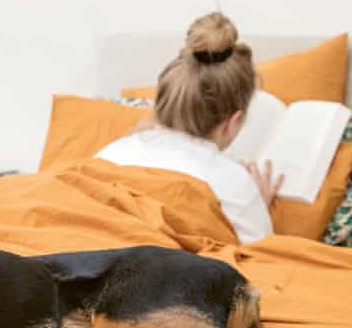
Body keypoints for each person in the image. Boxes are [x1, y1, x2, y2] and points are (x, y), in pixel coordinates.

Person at [95, 12, 283, 243]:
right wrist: (256, 207)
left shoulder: (111, 154)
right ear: (232, 121)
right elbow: (259, 259)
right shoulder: (233, 183)